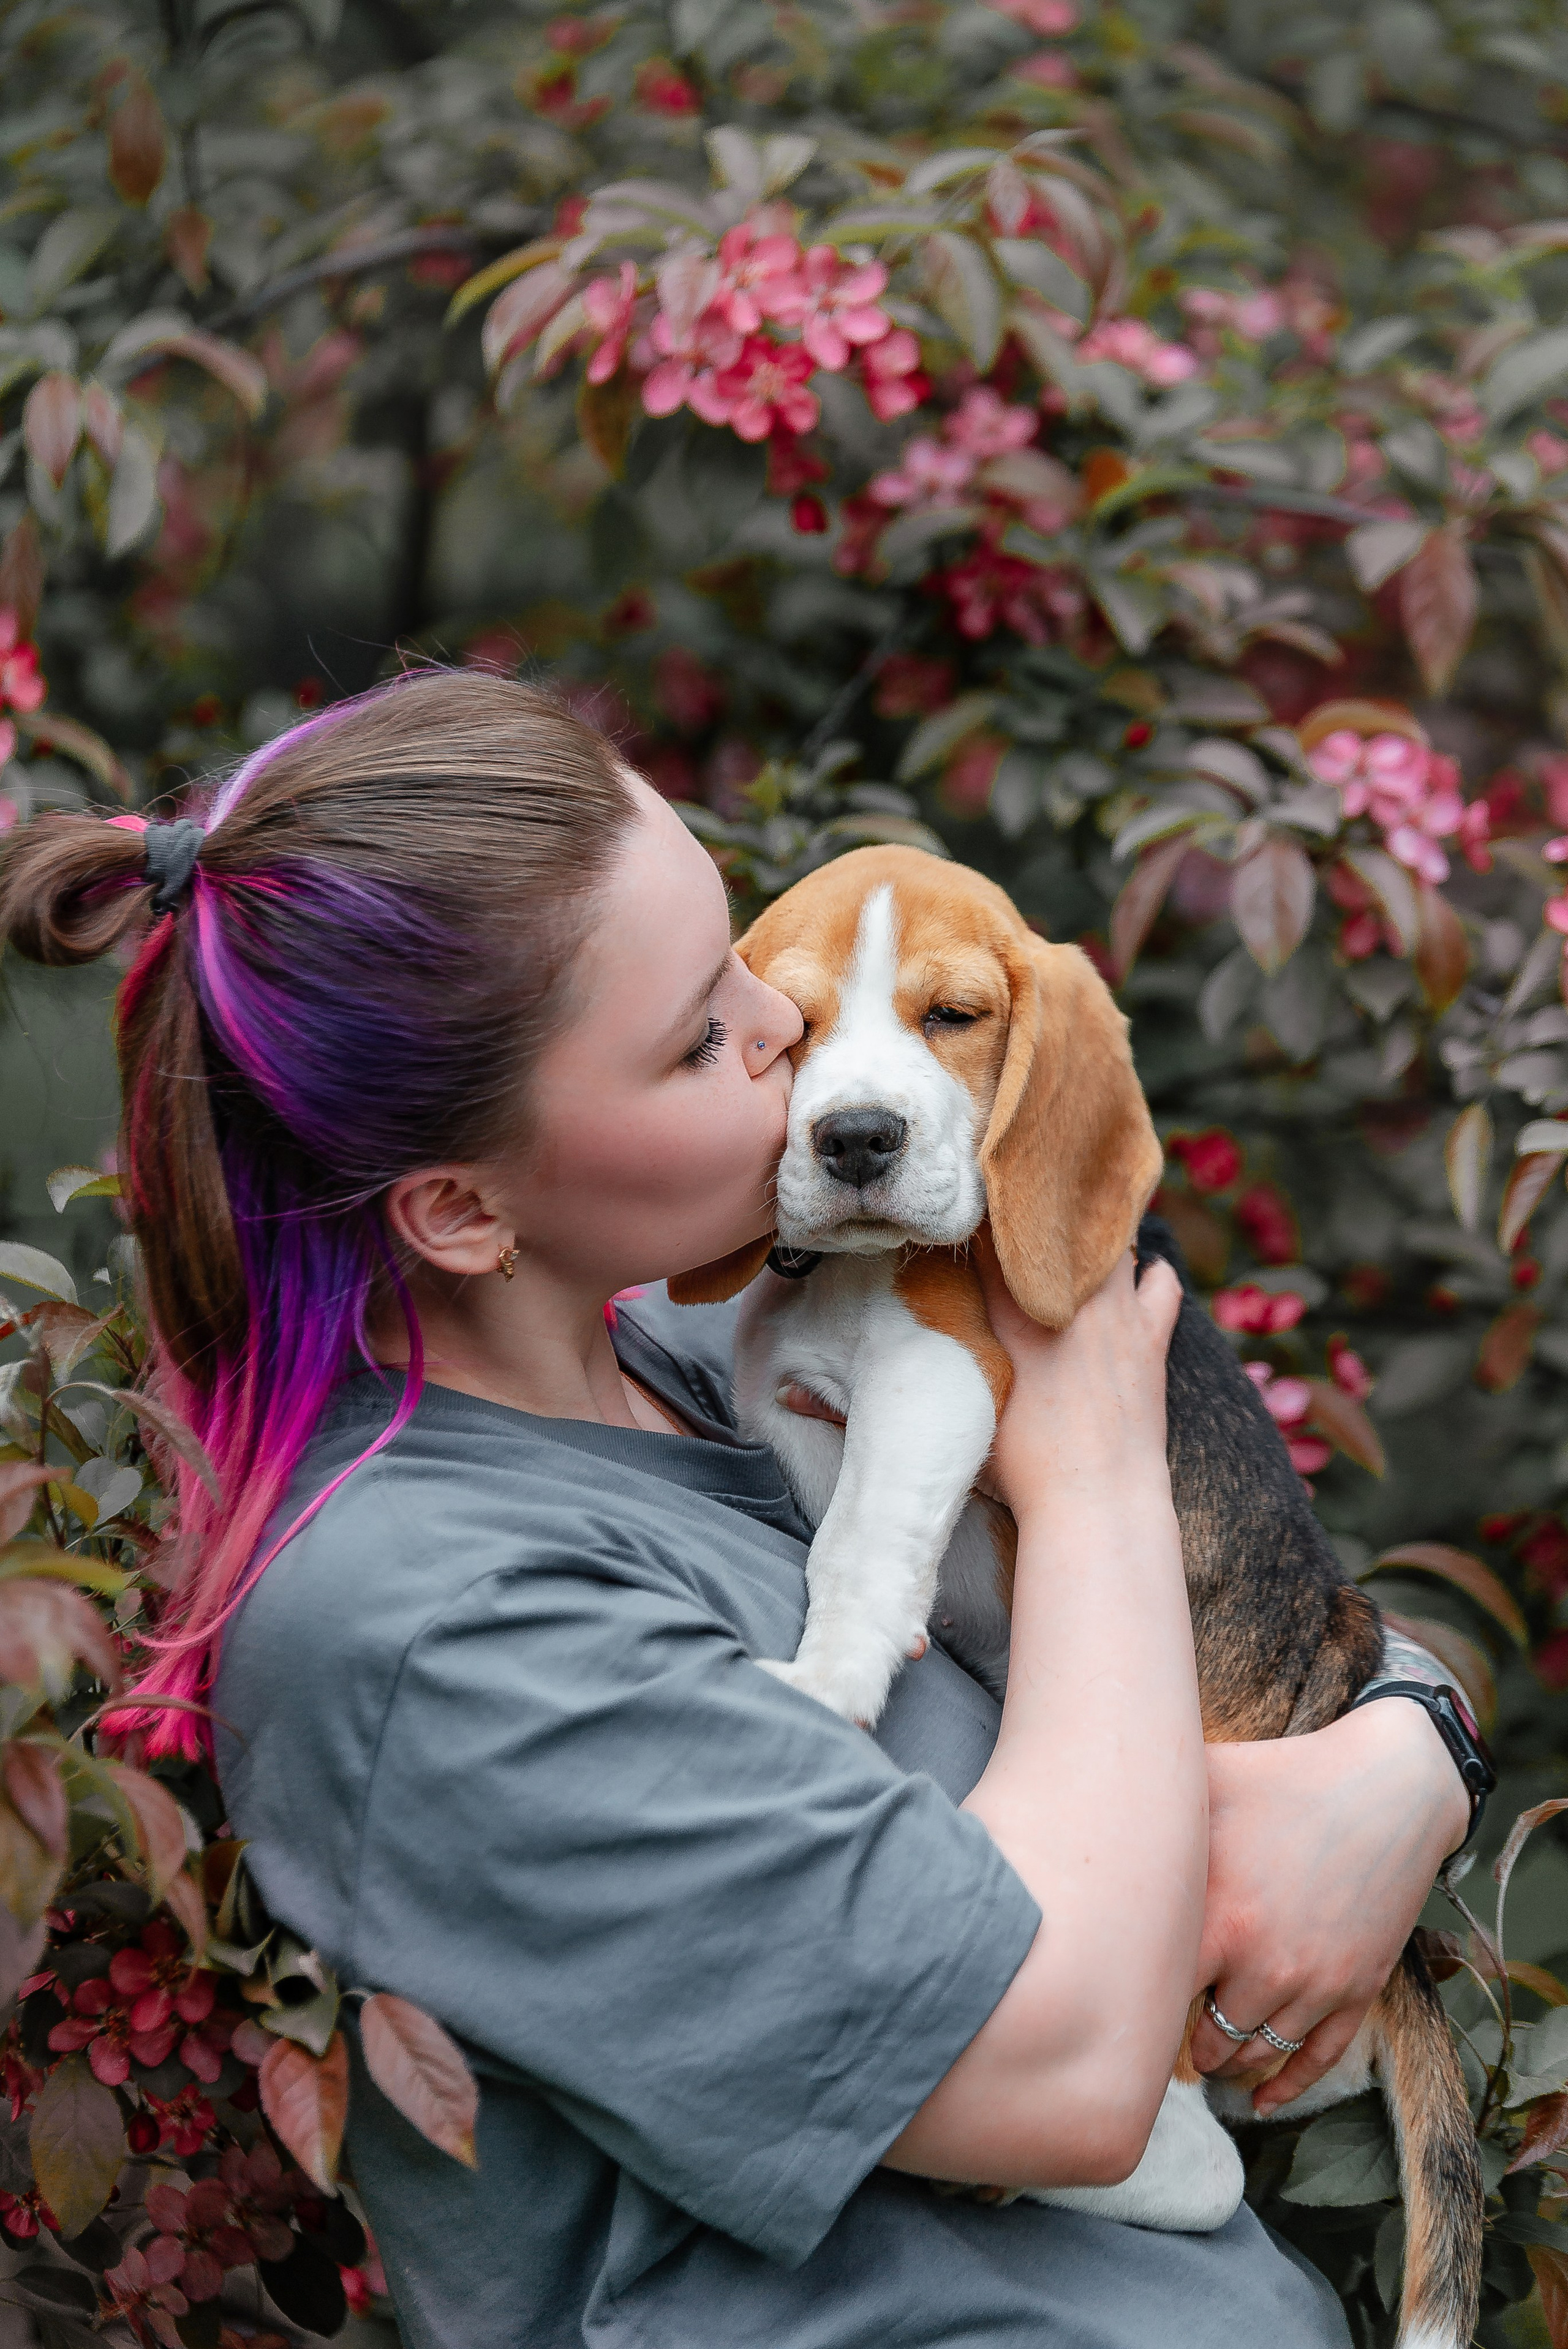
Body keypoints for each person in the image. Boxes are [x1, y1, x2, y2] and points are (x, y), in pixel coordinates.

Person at [1, 673, 1471, 2349]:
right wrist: (1096, 1476)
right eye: (710, 1026)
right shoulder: (428, 1627)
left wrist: (1409, 1753)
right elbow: (1066, 2069)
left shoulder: (701, 1347)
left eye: (742, 973)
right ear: (467, 1208)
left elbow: (1249, 1613)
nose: (790, 1035)